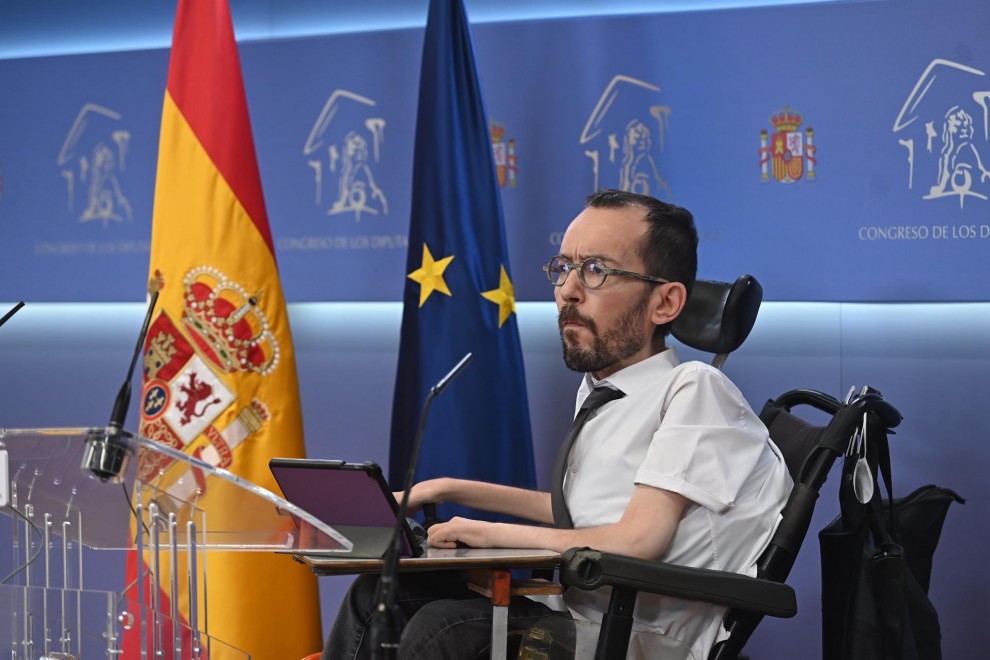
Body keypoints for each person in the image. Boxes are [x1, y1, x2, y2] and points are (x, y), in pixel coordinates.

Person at [324, 189, 792, 660]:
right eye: (563, 268)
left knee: (444, 629)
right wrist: (445, 489)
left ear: (665, 303)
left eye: (596, 270)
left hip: (637, 641)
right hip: (578, 616)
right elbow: (580, 512)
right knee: (376, 596)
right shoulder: (605, 388)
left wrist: (489, 532)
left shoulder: (695, 388)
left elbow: (636, 539)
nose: (568, 289)